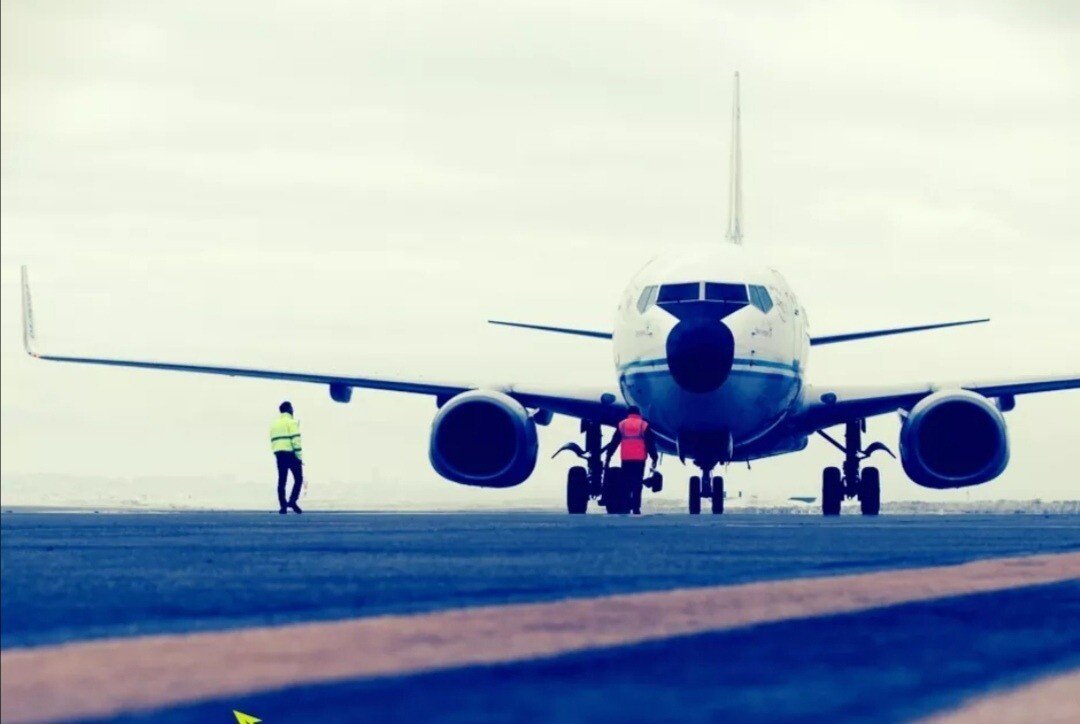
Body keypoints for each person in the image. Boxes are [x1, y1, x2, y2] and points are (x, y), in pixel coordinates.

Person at [604, 406, 659, 514]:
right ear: (639, 413)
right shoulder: (643, 425)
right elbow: (649, 443)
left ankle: (625, 506)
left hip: (626, 458)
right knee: (637, 483)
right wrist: (654, 457)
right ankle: (636, 508)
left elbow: (615, 441)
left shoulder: (622, 424)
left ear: (628, 413)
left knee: (625, 484)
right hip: (639, 459)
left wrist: (609, 455)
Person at [270, 401, 304, 514]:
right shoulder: (292, 422)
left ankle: (283, 506)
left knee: (282, 481)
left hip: (279, 454)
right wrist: (299, 457)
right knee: (298, 479)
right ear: (289, 409)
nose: (293, 410)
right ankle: (292, 501)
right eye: (291, 408)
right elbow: (296, 440)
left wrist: (276, 452)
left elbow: (273, 440)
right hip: (291, 454)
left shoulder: (274, 424)